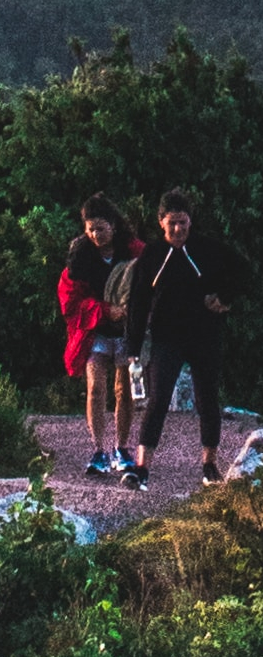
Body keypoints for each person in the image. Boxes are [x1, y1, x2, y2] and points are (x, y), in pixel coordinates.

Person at [127, 190, 248, 488]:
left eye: (183, 223)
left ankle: (209, 465)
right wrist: (133, 349)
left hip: (204, 334)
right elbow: (138, 302)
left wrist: (225, 298)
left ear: (191, 221)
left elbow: (245, 271)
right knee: (158, 401)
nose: (178, 230)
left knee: (207, 399)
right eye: (172, 224)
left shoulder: (207, 249)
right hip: (167, 337)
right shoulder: (152, 255)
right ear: (160, 223)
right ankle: (141, 469)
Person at [57, 193, 142, 478]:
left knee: (124, 390)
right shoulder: (80, 257)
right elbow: (69, 301)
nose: (96, 234)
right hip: (95, 333)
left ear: (113, 226)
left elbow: (152, 279)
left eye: (101, 228)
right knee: (95, 388)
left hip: (125, 333)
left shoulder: (132, 250)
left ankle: (122, 448)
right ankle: (98, 450)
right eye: (91, 228)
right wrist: (106, 310)